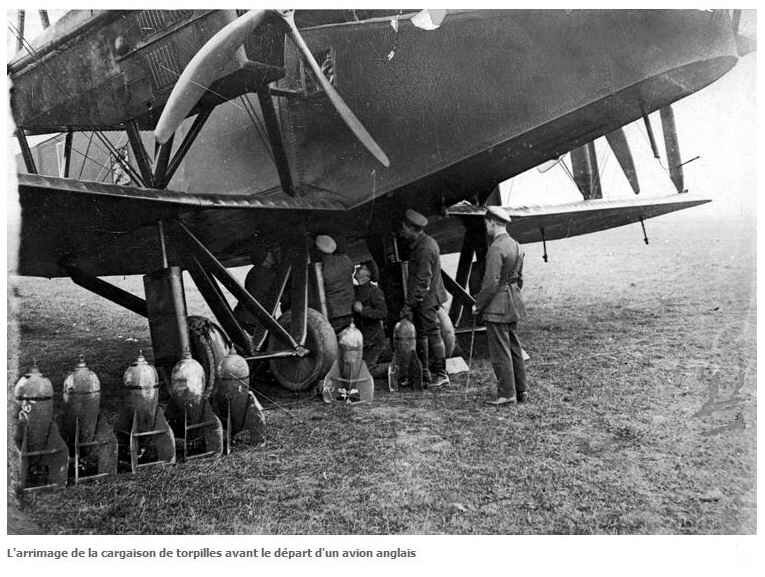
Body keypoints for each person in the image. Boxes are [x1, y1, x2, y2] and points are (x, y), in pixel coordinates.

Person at [473, 206, 528, 405]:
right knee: (514, 347)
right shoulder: (516, 245)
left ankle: (506, 394)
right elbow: (519, 279)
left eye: (486, 223)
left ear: (493, 223)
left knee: (500, 351)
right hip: (514, 302)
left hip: (497, 306)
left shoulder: (496, 248)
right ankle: (521, 391)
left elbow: (490, 283)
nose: (486, 227)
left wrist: (478, 305)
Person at [398, 209, 449, 388]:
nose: (402, 232)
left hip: (427, 299)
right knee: (422, 334)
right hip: (424, 298)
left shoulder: (425, 248)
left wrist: (409, 304)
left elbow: (422, 280)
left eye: (404, 228)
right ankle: (425, 372)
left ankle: (441, 374)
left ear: (412, 228)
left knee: (433, 333)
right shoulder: (423, 244)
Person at [234, 245, 281, 341]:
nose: (273, 255)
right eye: (270, 254)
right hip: (256, 319)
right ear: (266, 258)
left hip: (245, 316)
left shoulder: (254, 271)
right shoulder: (268, 274)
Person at [352, 260, 388, 377]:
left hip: (374, 341)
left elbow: (383, 313)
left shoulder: (374, 291)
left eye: (362, 267)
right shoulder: (356, 290)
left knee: (367, 371)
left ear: (368, 275)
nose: (358, 268)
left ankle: (396, 368)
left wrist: (363, 311)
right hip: (365, 341)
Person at [315, 234, 355, 333]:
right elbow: (352, 269)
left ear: (318, 250)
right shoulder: (346, 259)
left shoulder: (321, 267)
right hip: (349, 309)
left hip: (333, 313)